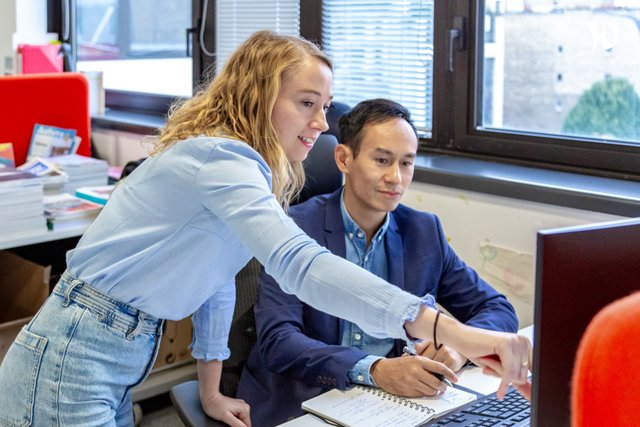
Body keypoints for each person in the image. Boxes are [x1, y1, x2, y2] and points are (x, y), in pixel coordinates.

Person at [0, 31, 531, 427]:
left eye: (324, 107)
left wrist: (209, 390)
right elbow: (301, 266)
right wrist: (444, 328)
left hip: (113, 354)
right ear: (258, 95)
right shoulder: (220, 158)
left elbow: (212, 280)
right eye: (307, 103)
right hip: (79, 351)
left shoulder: (242, 171)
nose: (321, 123)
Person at [236, 99, 520, 424]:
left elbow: (498, 309)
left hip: (390, 405)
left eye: (406, 164)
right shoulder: (293, 228)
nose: (395, 178)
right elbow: (279, 340)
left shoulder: (423, 231)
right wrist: (374, 369)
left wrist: (459, 348)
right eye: (382, 160)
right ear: (344, 158)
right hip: (305, 399)